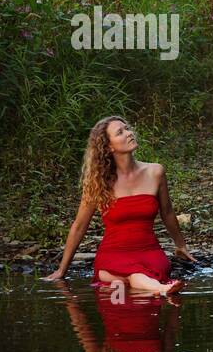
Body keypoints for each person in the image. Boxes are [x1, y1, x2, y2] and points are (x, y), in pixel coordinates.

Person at [44, 115, 196, 294]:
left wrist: (181, 245)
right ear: (109, 146)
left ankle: (154, 287)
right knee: (129, 275)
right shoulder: (98, 182)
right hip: (113, 255)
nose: (129, 133)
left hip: (149, 252)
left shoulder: (155, 172)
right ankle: (160, 289)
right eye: (120, 132)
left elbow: (168, 212)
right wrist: (62, 270)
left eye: (128, 129)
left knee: (130, 278)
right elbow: (79, 226)